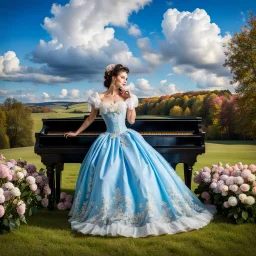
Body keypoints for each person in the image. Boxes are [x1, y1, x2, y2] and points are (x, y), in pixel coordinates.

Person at [64, 64, 216, 238]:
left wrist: (130, 103)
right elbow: (90, 119)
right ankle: (107, 212)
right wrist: (76, 132)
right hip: (107, 141)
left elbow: (131, 120)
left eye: (126, 79)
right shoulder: (97, 98)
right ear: (113, 77)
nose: (125, 81)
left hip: (127, 137)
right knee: (105, 177)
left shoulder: (128, 97)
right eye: (123, 77)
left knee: (141, 174)